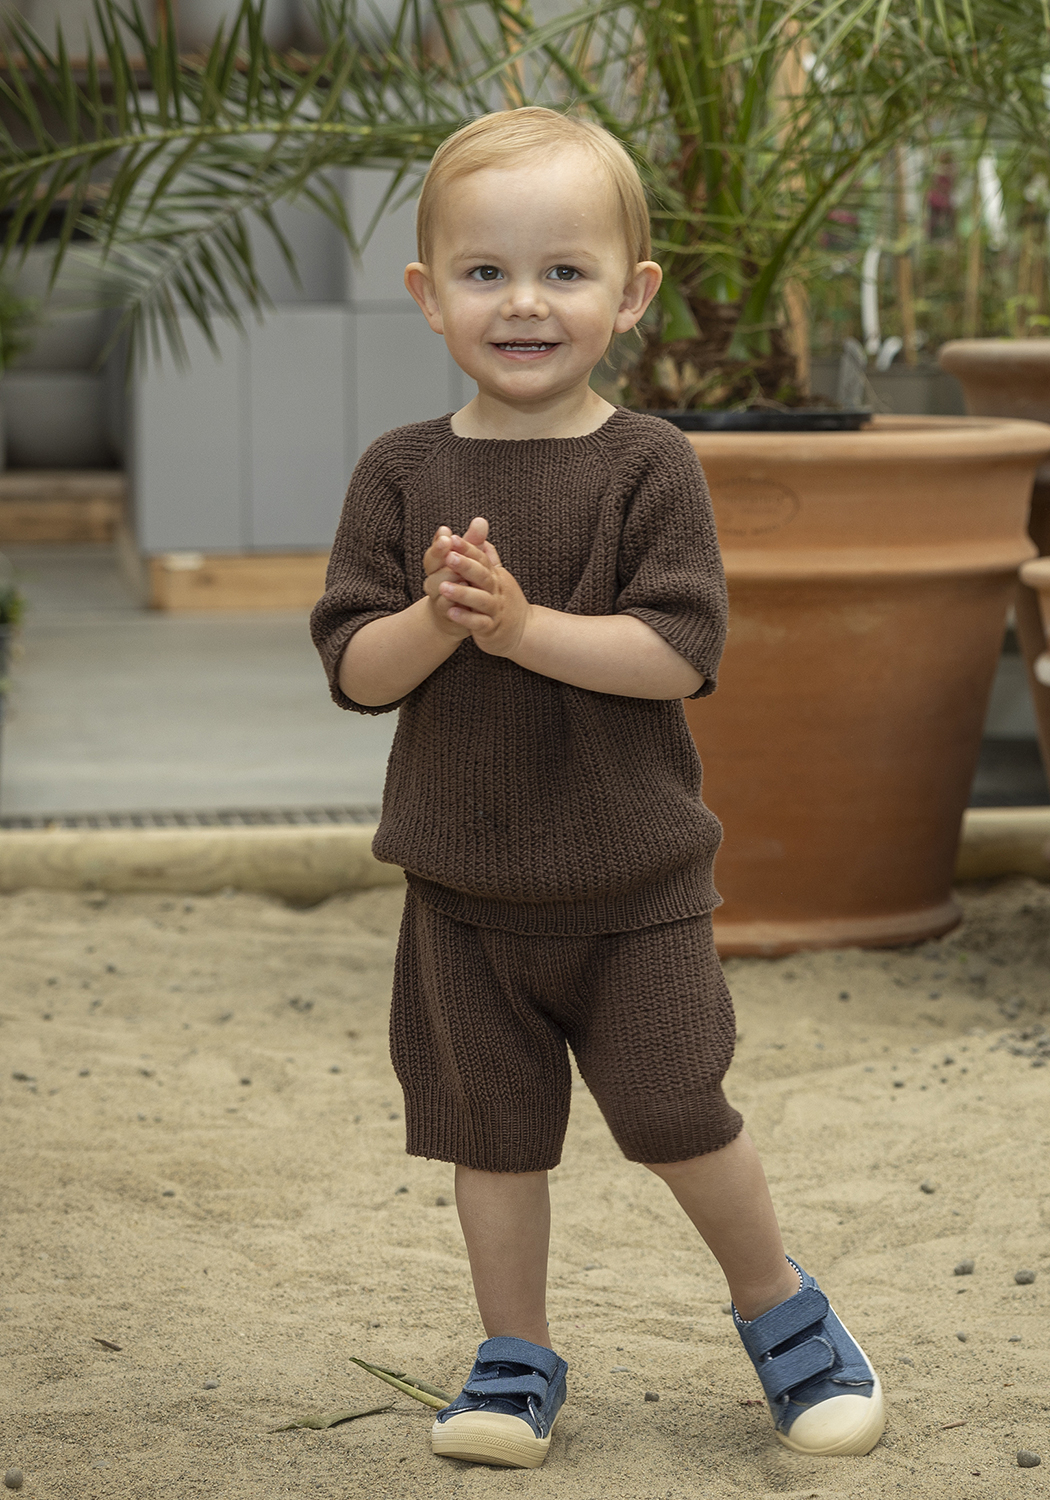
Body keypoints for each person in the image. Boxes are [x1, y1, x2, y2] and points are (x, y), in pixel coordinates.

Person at [310, 105, 884, 1472]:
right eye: (486, 272)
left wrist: (520, 629)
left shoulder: (647, 465)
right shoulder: (400, 471)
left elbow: (678, 653)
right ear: (428, 296)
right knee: (493, 1138)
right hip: (464, 893)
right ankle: (514, 1355)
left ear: (630, 295)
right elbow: (356, 669)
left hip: (633, 888)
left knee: (678, 1112)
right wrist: (437, 620)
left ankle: (782, 1309)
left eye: (563, 271)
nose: (524, 302)